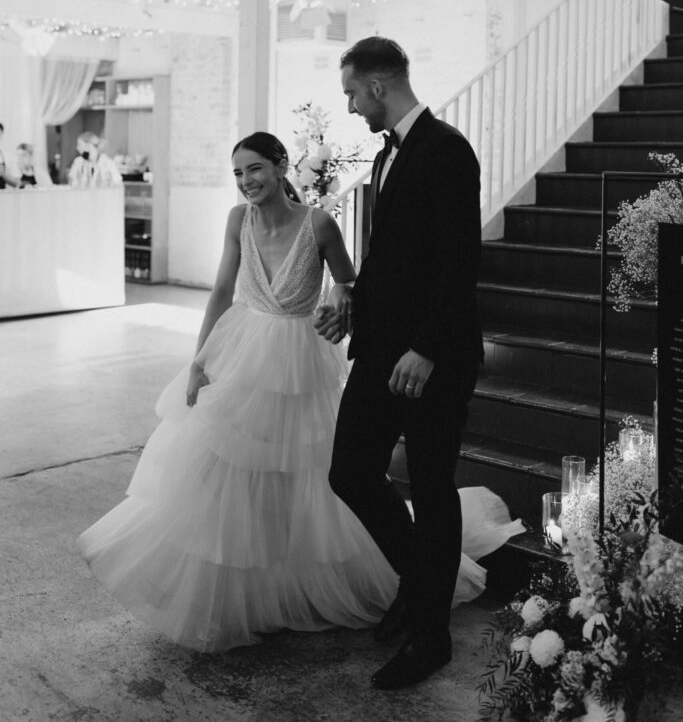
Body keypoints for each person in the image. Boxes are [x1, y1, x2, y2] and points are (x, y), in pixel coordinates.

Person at [78, 131, 520, 653]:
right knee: (229, 473)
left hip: (299, 360)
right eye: (238, 173)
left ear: (282, 165)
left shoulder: (319, 224)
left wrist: (339, 292)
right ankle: (244, 596)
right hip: (241, 353)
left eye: (255, 170)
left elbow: (354, 281)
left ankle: (352, 583)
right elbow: (222, 290)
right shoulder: (237, 221)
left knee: (304, 476)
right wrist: (199, 360)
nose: (246, 182)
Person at [316, 37, 485, 689]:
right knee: (350, 470)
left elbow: (457, 262)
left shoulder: (444, 150)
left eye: (353, 94)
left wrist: (425, 348)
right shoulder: (389, 155)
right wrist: (352, 301)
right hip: (381, 348)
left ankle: (430, 637)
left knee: (432, 486)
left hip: (429, 357)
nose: (352, 107)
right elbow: (398, 261)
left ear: (379, 85)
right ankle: (420, 589)